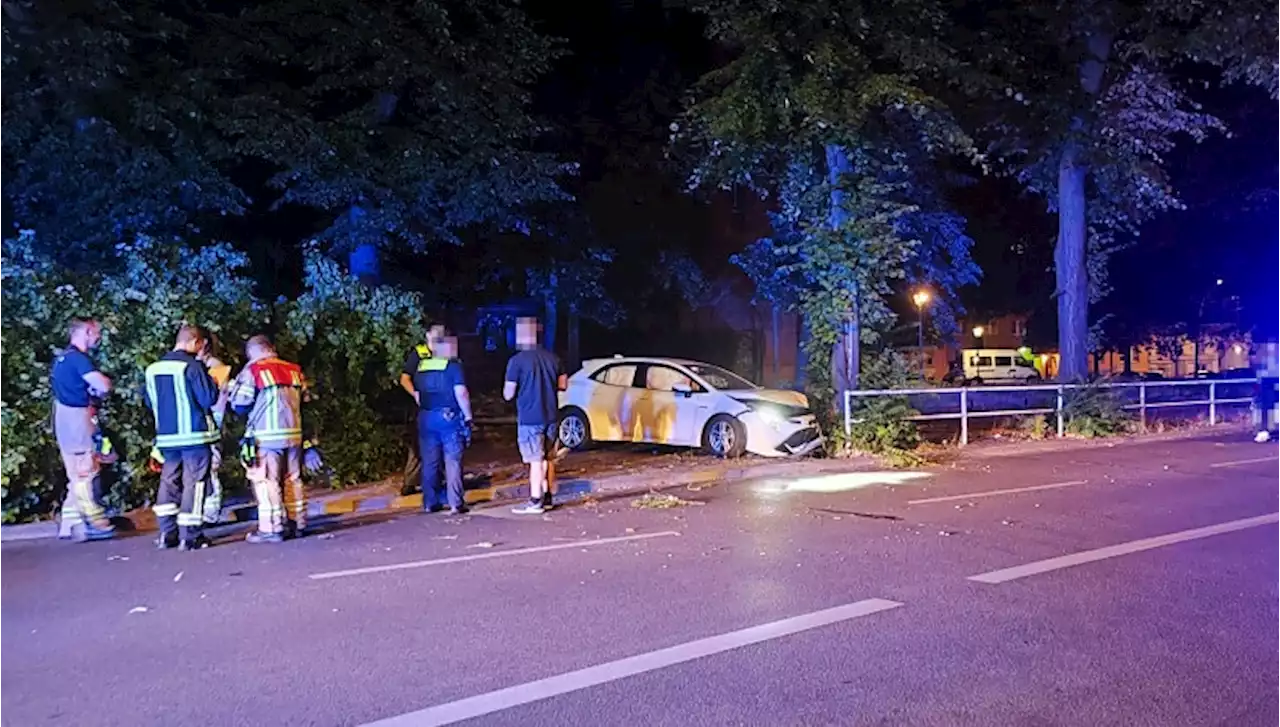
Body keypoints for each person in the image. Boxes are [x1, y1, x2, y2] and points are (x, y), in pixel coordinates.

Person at [144, 325, 220, 550]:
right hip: (195, 435)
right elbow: (208, 399)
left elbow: (150, 402)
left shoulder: (152, 369)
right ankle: (191, 535)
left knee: (168, 482)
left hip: (167, 437)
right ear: (196, 342)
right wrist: (214, 384)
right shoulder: (193, 366)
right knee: (194, 483)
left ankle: (168, 533)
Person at [228, 335, 310, 543]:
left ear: (251, 352)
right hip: (294, 433)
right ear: (271, 348)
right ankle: (298, 522)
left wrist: (230, 390)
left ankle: (273, 528)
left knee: (267, 481)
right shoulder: (294, 370)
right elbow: (306, 400)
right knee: (293, 479)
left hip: (265, 437)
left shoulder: (253, 370)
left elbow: (240, 404)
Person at [52, 318, 116, 542]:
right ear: (87, 332)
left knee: (74, 473)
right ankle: (94, 521)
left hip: (62, 419)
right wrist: (107, 382)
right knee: (85, 472)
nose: (98, 337)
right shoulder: (79, 360)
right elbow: (102, 385)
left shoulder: (61, 359)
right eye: (96, 333)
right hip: (78, 418)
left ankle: (70, 523)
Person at [504, 317, 566, 515]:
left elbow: (508, 393)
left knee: (535, 460)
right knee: (548, 458)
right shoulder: (554, 358)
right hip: (551, 415)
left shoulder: (516, 361)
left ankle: (535, 500)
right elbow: (563, 385)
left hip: (530, 418)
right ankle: (548, 496)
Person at [411, 331, 473, 515]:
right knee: (452, 460)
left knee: (430, 462)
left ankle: (430, 502)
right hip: (449, 418)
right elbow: (461, 393)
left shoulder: (422, 366)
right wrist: (468, 416)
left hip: (427, 417)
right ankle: (455, 503)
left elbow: (418, 395)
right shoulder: (453, 366)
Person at [399, 324, 446, 496]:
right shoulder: (418, 354)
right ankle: (409, 483)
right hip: (420, 408)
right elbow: (404, 379)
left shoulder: (444, 354)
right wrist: (416, 395)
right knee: (418, 447)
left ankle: (438, 480)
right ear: (427, 336)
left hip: (439, 406)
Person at [198, 331, 233, 524]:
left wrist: (215, 424)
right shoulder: (202, 366)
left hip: (210, 422)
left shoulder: (215, 367)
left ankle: (210, 512)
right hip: (203, 422)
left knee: (211, 466)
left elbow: (219, 401)